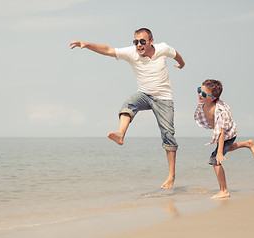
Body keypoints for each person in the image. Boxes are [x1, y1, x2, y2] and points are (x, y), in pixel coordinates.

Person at [69, 28, 185, 190]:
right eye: (136, 41)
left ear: (151, 41)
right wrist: (86, 44)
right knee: (129, 102)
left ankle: (171, 175)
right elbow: (108, 50)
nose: (139, 45)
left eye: (142, 41)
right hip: (144, 94)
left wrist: (181, 63)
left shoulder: (163, 49)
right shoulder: (131, 53)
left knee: (168, 134)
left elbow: (176, 54)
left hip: (164, 99)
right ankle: (120, 135)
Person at [194, 79, 254, 199]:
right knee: (226, 150)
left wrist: (219, 152)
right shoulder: (205, 101)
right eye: (199, 90)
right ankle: (248, 143)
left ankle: (224, 190)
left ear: (213, 98)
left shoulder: (219, 111)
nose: (199, 94)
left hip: (226, 135)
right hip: (224, 133)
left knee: (215, 160)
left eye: (203, 94)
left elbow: (221, 132)